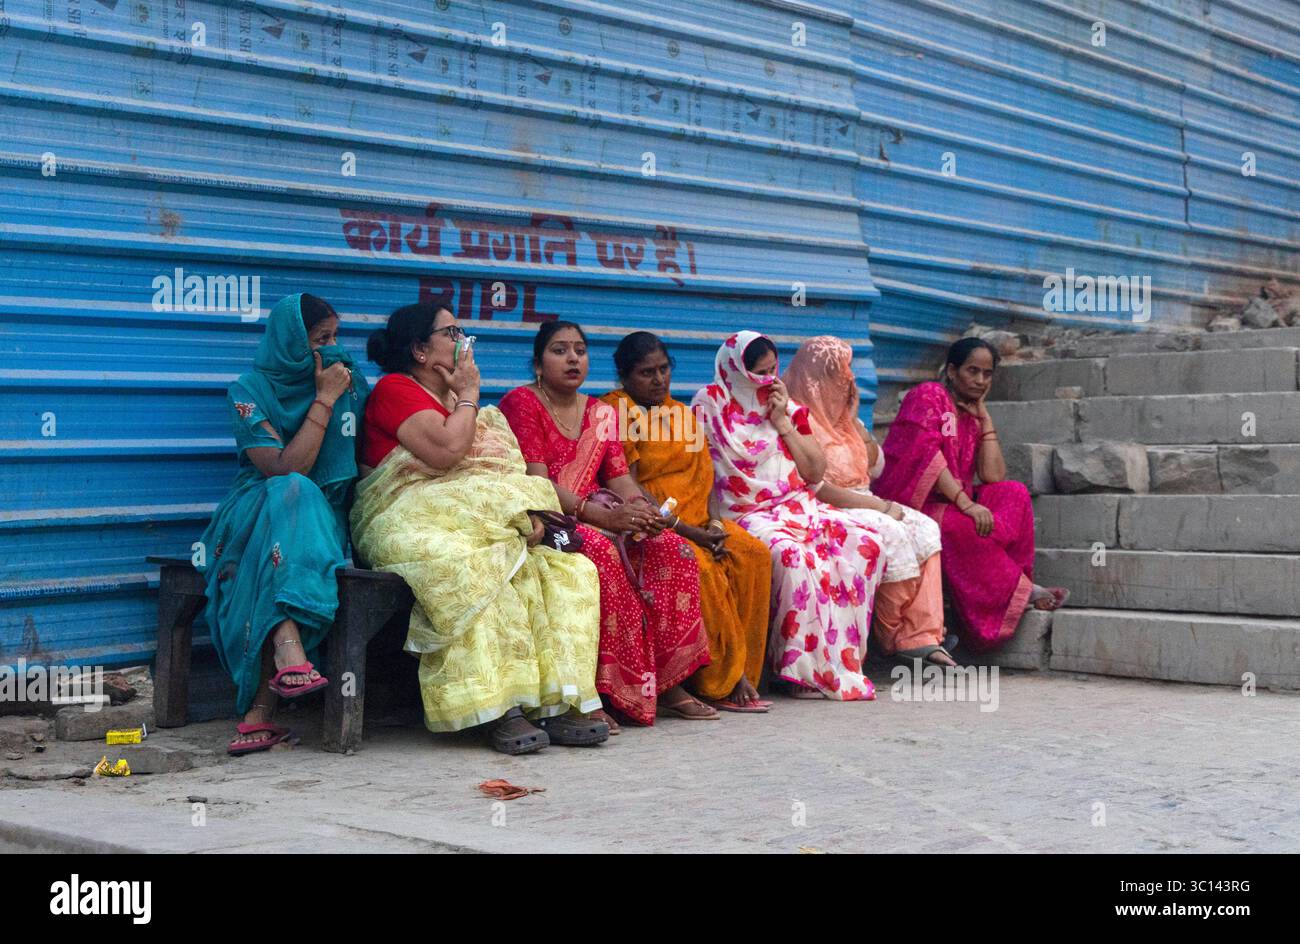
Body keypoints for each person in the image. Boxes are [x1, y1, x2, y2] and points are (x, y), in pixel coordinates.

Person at [350, 302, 608, 754]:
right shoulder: (396, 389)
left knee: (566, 572)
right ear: (420, 350)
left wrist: (523, 513)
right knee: (477, 567)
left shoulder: (464, 406)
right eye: (451, 333)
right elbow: (447, 453)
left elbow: (498, 474)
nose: (463, 341)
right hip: (405, 518)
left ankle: (551, 703)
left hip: (478, 520)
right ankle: (496, 708)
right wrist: (469, 393)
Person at [499, 321, 713, 729]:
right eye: (559, 350)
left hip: (600, 514)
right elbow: (536, 482)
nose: (573, 359)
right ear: (538, 364)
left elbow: (619, 479)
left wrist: (642, 512)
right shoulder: (522, 403)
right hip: (550, 518)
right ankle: (599, 691)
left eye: (580, 350)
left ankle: (666, 684)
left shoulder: (601, 412)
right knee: (601, 554)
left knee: (673, 550)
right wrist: (602, 517)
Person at [197, 293, 369, 755]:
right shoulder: (249, 390)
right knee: (292, 494)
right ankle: (285, 655)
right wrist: (324, 400)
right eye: (320, 339)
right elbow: (282, 469)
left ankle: (264, 701)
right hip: (254, 507)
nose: (331, 350)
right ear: (291, 342)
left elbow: (365, 457)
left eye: (335, 338)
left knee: (291, 535)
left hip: (325, 516)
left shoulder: (351, 381)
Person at [692, 331, 887, 700]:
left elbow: (814, 471)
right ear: (737, 370)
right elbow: (701, 470)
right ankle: (795, 671)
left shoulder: (786, 405)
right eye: (760, 373)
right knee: (792, 557)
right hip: (746, 512)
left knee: (867, 543)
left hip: (798, 505)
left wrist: (782, 421)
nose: (769, 379)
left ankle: (841, 661)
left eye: (773, 370)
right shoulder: (710, 405)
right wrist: (710, 519)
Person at [601, 332, 773, 712]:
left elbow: (705, 476)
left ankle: (745, 667)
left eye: (664, 369)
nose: (658, 379)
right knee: (703, 568)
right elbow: (630, 486)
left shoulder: (681, 414)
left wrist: (715, 523)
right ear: (624, 377)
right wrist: (686, 529)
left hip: (700, 519)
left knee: (753, 555)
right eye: (647, 372)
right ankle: (718, 682)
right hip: (656, 523)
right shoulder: (616, 412)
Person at [873, 336, 1069, 652]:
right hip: (915, 502)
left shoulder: (970, 413)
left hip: (955, 500)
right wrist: (966, 504)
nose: (980, 380)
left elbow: (993, 475)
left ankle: (1013, 585)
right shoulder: (929, 396)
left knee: (1014, 492)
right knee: (962, 526)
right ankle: (1019, 592)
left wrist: (984, 418)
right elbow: (927, 456)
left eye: (987, 374)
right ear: (952, 371)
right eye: (972, 371)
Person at [783, 336, 953, 666]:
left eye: (847, 372)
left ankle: (921, 633)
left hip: (864, 498)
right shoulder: (798, 420)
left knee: (926, 529)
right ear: (814, 377)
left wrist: (854, 423)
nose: (847, 380)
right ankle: (892, 635)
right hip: (826, 504)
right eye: (837, 374)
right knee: (893, 533)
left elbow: (875, 468)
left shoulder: (846, 420)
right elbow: (816, 487)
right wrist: (879, 507)